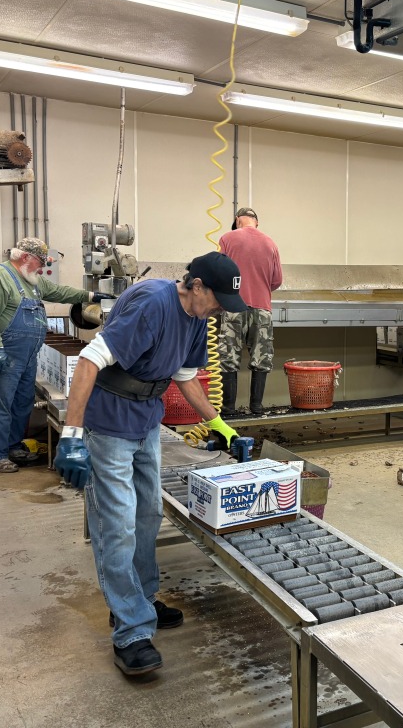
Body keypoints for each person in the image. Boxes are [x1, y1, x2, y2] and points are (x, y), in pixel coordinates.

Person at [53, 252, 245, 677]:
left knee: (147, 515)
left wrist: (220, 426)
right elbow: (89, 361)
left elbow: (185, 377)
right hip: (108, 423)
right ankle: (131, 631)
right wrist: (72, 435)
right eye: (217, 300)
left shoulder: (197, 317)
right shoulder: (153, 305)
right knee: (118, 524)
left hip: (146, 421)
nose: (220, 310)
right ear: (196, 285)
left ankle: (139, 598)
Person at [0, 237, 113, 473]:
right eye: (41, 262)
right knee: (0, 404)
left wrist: (91, 297)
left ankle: (13, 447)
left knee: (22, 402)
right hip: (4, 353)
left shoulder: (33, 280)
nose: (42, 268)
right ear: (25, 257)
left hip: (27, 355)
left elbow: (59, 292)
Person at [217, 207, 283, 415]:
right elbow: (277, 280)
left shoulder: (227, 238)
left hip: (233, 306)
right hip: (262, 308)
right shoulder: (271, 243)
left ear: (238, 220)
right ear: (257, 222)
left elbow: (219, 273)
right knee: (261, 357)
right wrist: (259, 288)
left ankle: (228, 408)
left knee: (229, 357)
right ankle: (256, 407)